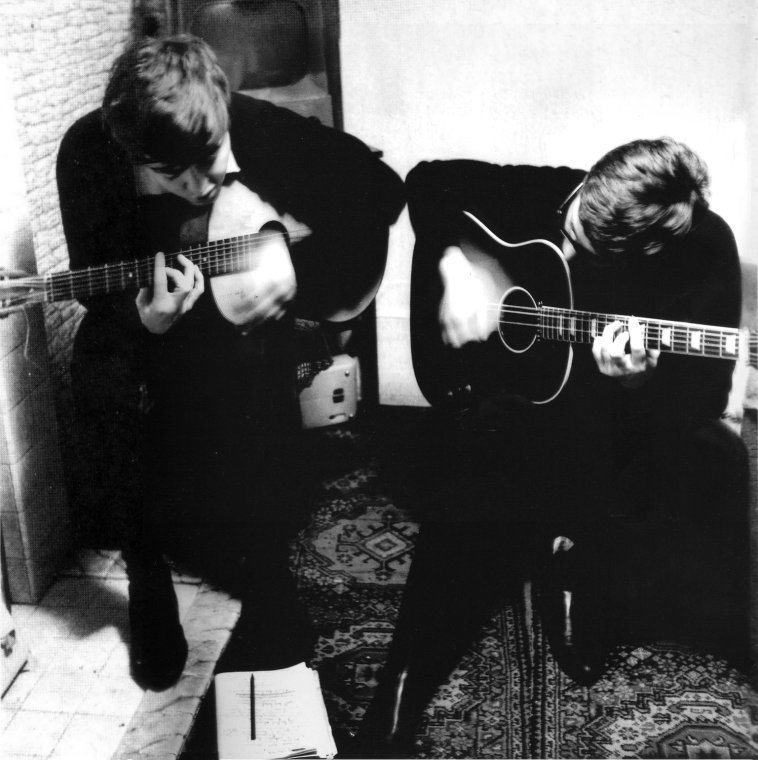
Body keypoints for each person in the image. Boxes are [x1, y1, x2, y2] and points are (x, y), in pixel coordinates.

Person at [355, 139, 749, 757]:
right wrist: (460, 267)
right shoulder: (557, 192)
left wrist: (638, 382)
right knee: (465, 479)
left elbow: (703, 398)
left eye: (580, 246)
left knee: (691, 458)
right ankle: (398, 695)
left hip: (609, 424)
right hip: (516, 404)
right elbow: (426, 180)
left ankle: (574, 564)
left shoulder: (703, 252)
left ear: (638, 251)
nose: (563, 242)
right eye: (572, 219)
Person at [57, 34, 405, 691]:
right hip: (156, 310)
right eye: (172, 175)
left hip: (240, 319)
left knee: (250, 383)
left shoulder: (254, 124)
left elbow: (382, 191)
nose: (198, 187)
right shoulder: (87, 153)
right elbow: (91, 284)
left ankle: (265, 568)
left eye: (209, 160)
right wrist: (146, 320)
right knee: (95, 367)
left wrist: (290, 268)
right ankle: (146, 572)